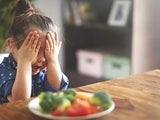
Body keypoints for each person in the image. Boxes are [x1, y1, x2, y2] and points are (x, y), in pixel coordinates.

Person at [0, 0, 69, 103]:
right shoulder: (4, 71)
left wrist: (53, 60)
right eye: (35, 50)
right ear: (13, 46)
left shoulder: (44, 70)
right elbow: (20, 101)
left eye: (47, 51)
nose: (42, 58)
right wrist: (25, 62)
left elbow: (58, 91)